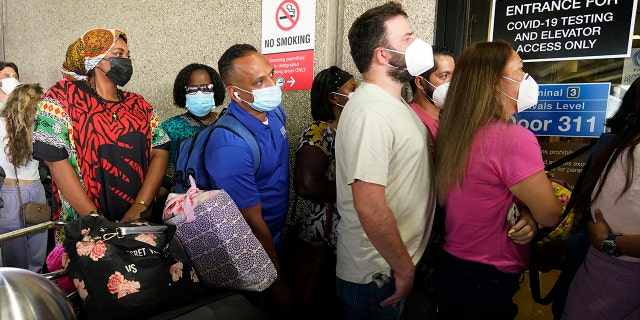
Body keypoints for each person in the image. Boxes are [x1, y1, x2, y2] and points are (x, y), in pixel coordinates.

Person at [434, 40, 563, 319]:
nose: (526, 78)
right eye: (519, 69)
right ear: (495, 82)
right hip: (486, 279)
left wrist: (526, 210)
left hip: (454, 268)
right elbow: (551, 215)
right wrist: (533, 209)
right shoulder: (513, 139)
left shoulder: (458, 131)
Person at [335, 2, 437, 319]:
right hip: (377, 277)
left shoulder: (394, 103)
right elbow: (369, 205)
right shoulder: (370, 112)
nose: (418, 45)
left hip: (391, 268)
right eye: (407, 39)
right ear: (383, 55)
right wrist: (403, 269)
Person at [33, 28, 170, 242]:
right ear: (95, 60)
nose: (126, 61)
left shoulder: (139, 104)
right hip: (85, 225)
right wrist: (95, 220)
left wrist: (140, 206)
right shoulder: (62, 97)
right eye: (118, 54)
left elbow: (160, 150)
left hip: (138, 223)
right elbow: (54, 159)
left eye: (127, 55)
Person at [208, 43, 290, 315]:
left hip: (278, 234)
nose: (272, 84)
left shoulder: (275, 112)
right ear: (234, 93)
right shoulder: (229, 145)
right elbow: (250, 224)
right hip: (254, 252)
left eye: (271, 74)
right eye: (259, 81)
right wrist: (276, 280)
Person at [561, 77, 640, 320]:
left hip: (596, 280)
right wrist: (611, 242)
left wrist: (608, 242)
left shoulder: (615, 146)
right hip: (618, 279)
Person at [290, 66, 357, 318]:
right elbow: (306, 184)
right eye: (352, 88)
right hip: (323, 235)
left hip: (345, 233)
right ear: (333, 97)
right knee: (322, 300)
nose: (357, 93)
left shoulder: (350, 130)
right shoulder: (319, 132)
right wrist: (356, 193)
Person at [0, 83, 47, 272]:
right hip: (32, 191)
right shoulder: (42, 126)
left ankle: (14, 290)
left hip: (8, 193)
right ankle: (35, 286)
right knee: (36, 247)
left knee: (11, 249)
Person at [159, 63, 225, 193]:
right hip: (186, 200)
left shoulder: (226, 123)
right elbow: (163, 178)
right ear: (183, 93)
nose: (200, 93)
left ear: (215, 91)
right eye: (192, 89)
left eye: (206, 88)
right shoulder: (171, 128)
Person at [407, 47, 454, 155]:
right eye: (444, 76)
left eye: (454, 75)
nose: (453, 83)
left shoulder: (446, 115)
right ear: (420, 83)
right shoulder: (413, 121)